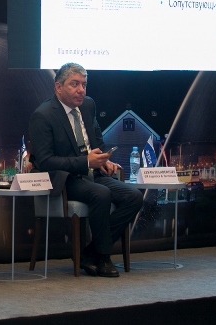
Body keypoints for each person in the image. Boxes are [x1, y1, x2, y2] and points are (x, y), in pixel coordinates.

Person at [28, 62, 142, 278]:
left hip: (92, 174)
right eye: (75, 84)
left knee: (134, 196)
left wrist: (103, 159)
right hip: (66, 180)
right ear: (58, 87)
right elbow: (45, 161)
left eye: (84, 84)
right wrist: (85, 162)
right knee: (101, 193)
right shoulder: (43, 115)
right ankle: (104, 257)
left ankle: (90, 253)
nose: (81, 90)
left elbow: (96, 141)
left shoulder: (88, 106)